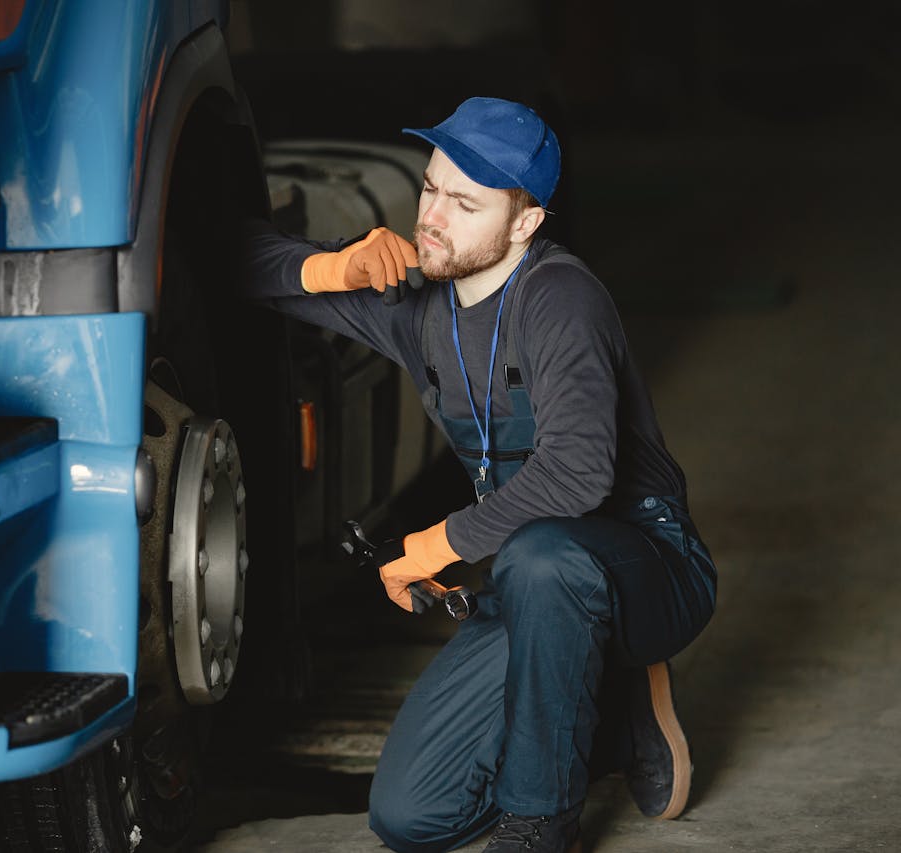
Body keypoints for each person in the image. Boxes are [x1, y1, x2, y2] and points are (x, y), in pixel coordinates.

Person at [236, 97, 718, 853]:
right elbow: (241, 263)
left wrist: (439, 544)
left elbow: (580, 473)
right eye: (431, 188)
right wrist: (338, 265)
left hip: (648, 563)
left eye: (465, 203)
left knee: (541, 556)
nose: (433, 216)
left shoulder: (561, 298)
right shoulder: (420, 302)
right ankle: (611, 726)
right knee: (410, 815)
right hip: (533, 585)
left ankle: (541, 822)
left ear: (524, 223)